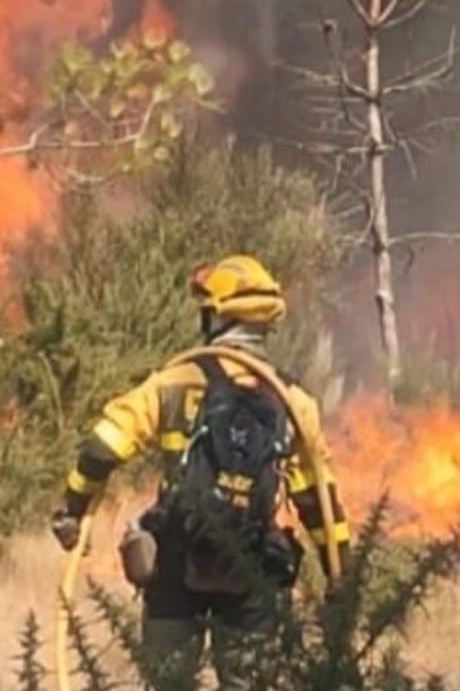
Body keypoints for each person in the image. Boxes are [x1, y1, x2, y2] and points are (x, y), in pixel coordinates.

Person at [50, 254, 350, 686]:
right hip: (253, 568)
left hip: (176, 561)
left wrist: (73, 509)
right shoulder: (293, 400)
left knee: (169, 681)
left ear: (217, 315)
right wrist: (340, 576)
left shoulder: (175, 381)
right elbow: (319, 503)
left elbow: (103, 447)